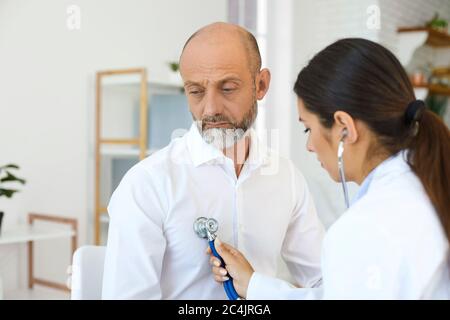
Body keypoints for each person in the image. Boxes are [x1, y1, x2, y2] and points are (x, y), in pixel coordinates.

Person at [209, 38, 450, 299]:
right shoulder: (429, 185)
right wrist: (256, 287)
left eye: (308, 128)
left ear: (344, 127)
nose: (310, 146)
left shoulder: (365, 228)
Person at [101, 22, 325, 299]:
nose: (210, 109)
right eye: (195, 91)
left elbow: (324, 281)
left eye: (228, 88)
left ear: (261, 85)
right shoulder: (146, 185)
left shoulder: (286, 178)